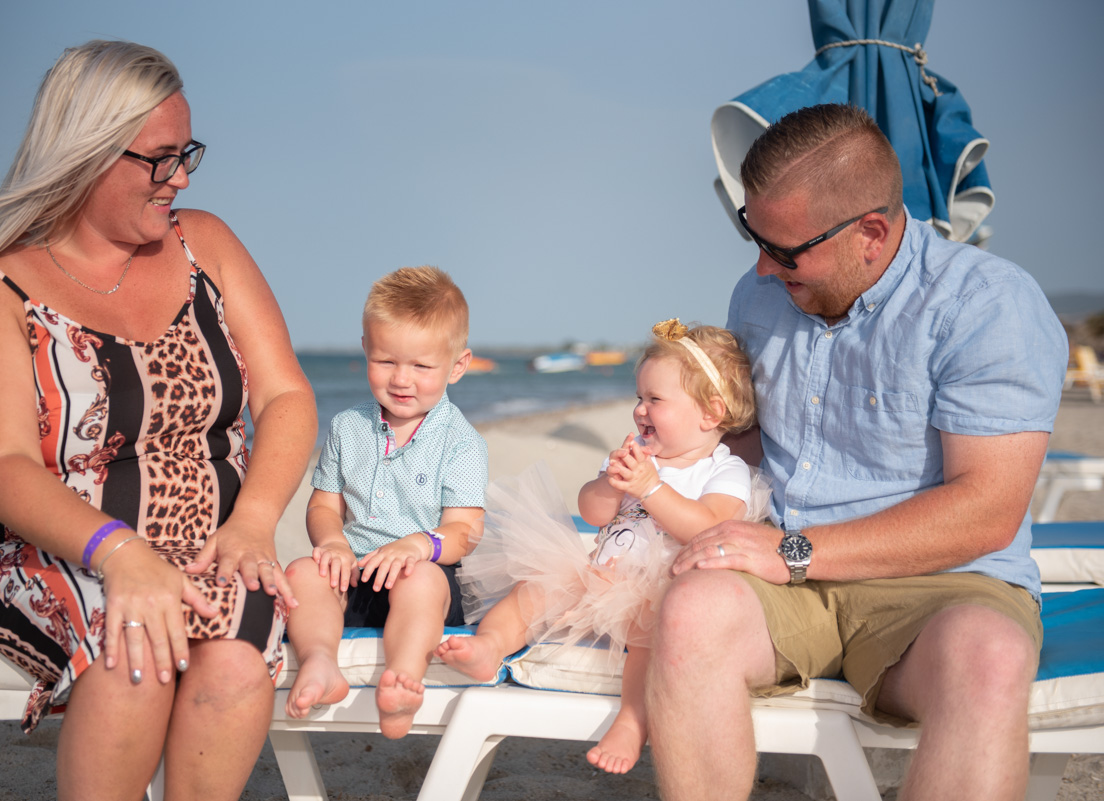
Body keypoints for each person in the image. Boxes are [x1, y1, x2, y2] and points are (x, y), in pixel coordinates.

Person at [645, 103, 1069, 801]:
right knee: (691, 612)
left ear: (870, 233)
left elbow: (987, 510)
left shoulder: (986, 303)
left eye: (785, 251)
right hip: (783, 576)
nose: (762, 266)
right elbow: (744, 443)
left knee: (991, 658)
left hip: (941, 583)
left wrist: (792, 552)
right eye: (754, 235)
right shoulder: (761, 294)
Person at [0, 41, 316, 800]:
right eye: (161, 159)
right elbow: (3, 464)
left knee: (235, 663)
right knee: (133, 653)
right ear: (85, 153)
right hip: (69, 548)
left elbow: (286, 397)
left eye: (188, 155)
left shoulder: (205, 244)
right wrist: (121, 553)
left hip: (215, 544)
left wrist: (253, 522)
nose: (181, 178)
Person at [438, 319, 766, 774]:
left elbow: (707, 526)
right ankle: (489, 647)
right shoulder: (635, 457)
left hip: (659, 592)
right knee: (534, 589)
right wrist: (611, 485)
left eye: (655, 400)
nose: (640, 410)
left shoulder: (724, 471)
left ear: (710, 414)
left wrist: (651, 489)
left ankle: (632, 720)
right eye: (638, 397)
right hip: (597, 578)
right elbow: (591, 511)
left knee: (650, 632)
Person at [282, 265, 488, 738]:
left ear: (457, 366)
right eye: (386, 361)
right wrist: (332, 542)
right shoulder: (346, 427)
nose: (401, 379)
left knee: (422, 582)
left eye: (421, 367)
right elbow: (323, 506)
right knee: (302, 572)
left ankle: (403, 677)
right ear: (365, 350)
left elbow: (465, 532)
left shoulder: (461, 442)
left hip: (424, 582)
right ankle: (320, 661)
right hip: (354, 573)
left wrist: (418, 545)